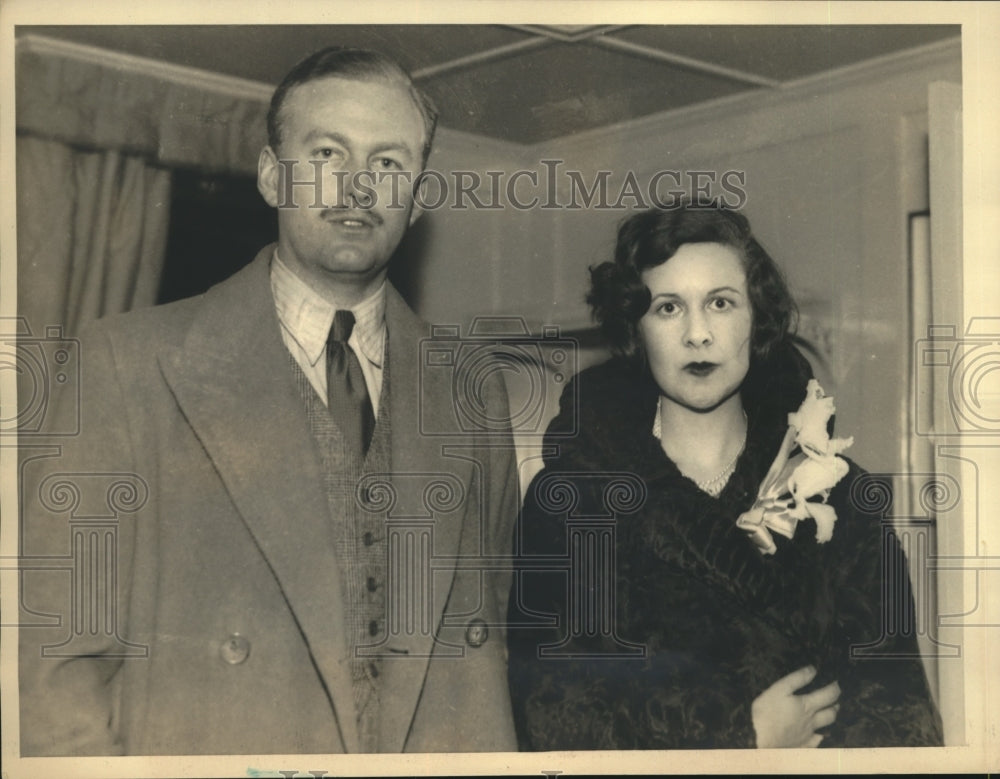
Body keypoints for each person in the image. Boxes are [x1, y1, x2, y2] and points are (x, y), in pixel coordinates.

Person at [19, 47, 519, 755]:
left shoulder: (473, 388)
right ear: (269, 174)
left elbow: (489, 624)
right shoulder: (126, 364)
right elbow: (51, 671)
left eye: (388, 163)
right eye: (326, 153)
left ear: (417, 192)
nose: (357, 187)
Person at [506, 203, 944, 749]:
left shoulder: (841, 493)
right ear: (636, 330)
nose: (698, 334)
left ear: (755, 317)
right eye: (668, 308)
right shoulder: (569, 503)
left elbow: (902, 716)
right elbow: (553, 721)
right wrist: (739, 740)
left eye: (720, 303)